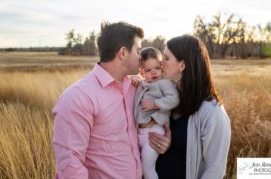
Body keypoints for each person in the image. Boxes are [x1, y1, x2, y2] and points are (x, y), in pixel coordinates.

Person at [52, 21, 170, 179]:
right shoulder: (77, 97)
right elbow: (70, 167)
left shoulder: (137, 89)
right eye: (138, 50)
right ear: (123, 53)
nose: (141, 57)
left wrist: (165, 140)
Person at [148, 35, 231, 179]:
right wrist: (166, 145)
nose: (161, 62)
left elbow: (215, 170)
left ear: (182, 65)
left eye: (166, 58)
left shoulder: (212, 112)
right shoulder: (167, 98)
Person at [133, 47, 179, 179]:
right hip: (139, 133)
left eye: (157, 68)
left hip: (155, 132)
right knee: (138, 168)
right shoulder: (143, 84)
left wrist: (155, 104)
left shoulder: (164, 83)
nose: (153, 72)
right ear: (142, 72)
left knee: (147, 167)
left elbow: (174, 99)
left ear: (162, 67)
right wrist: (137, 80)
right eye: (148, 70)